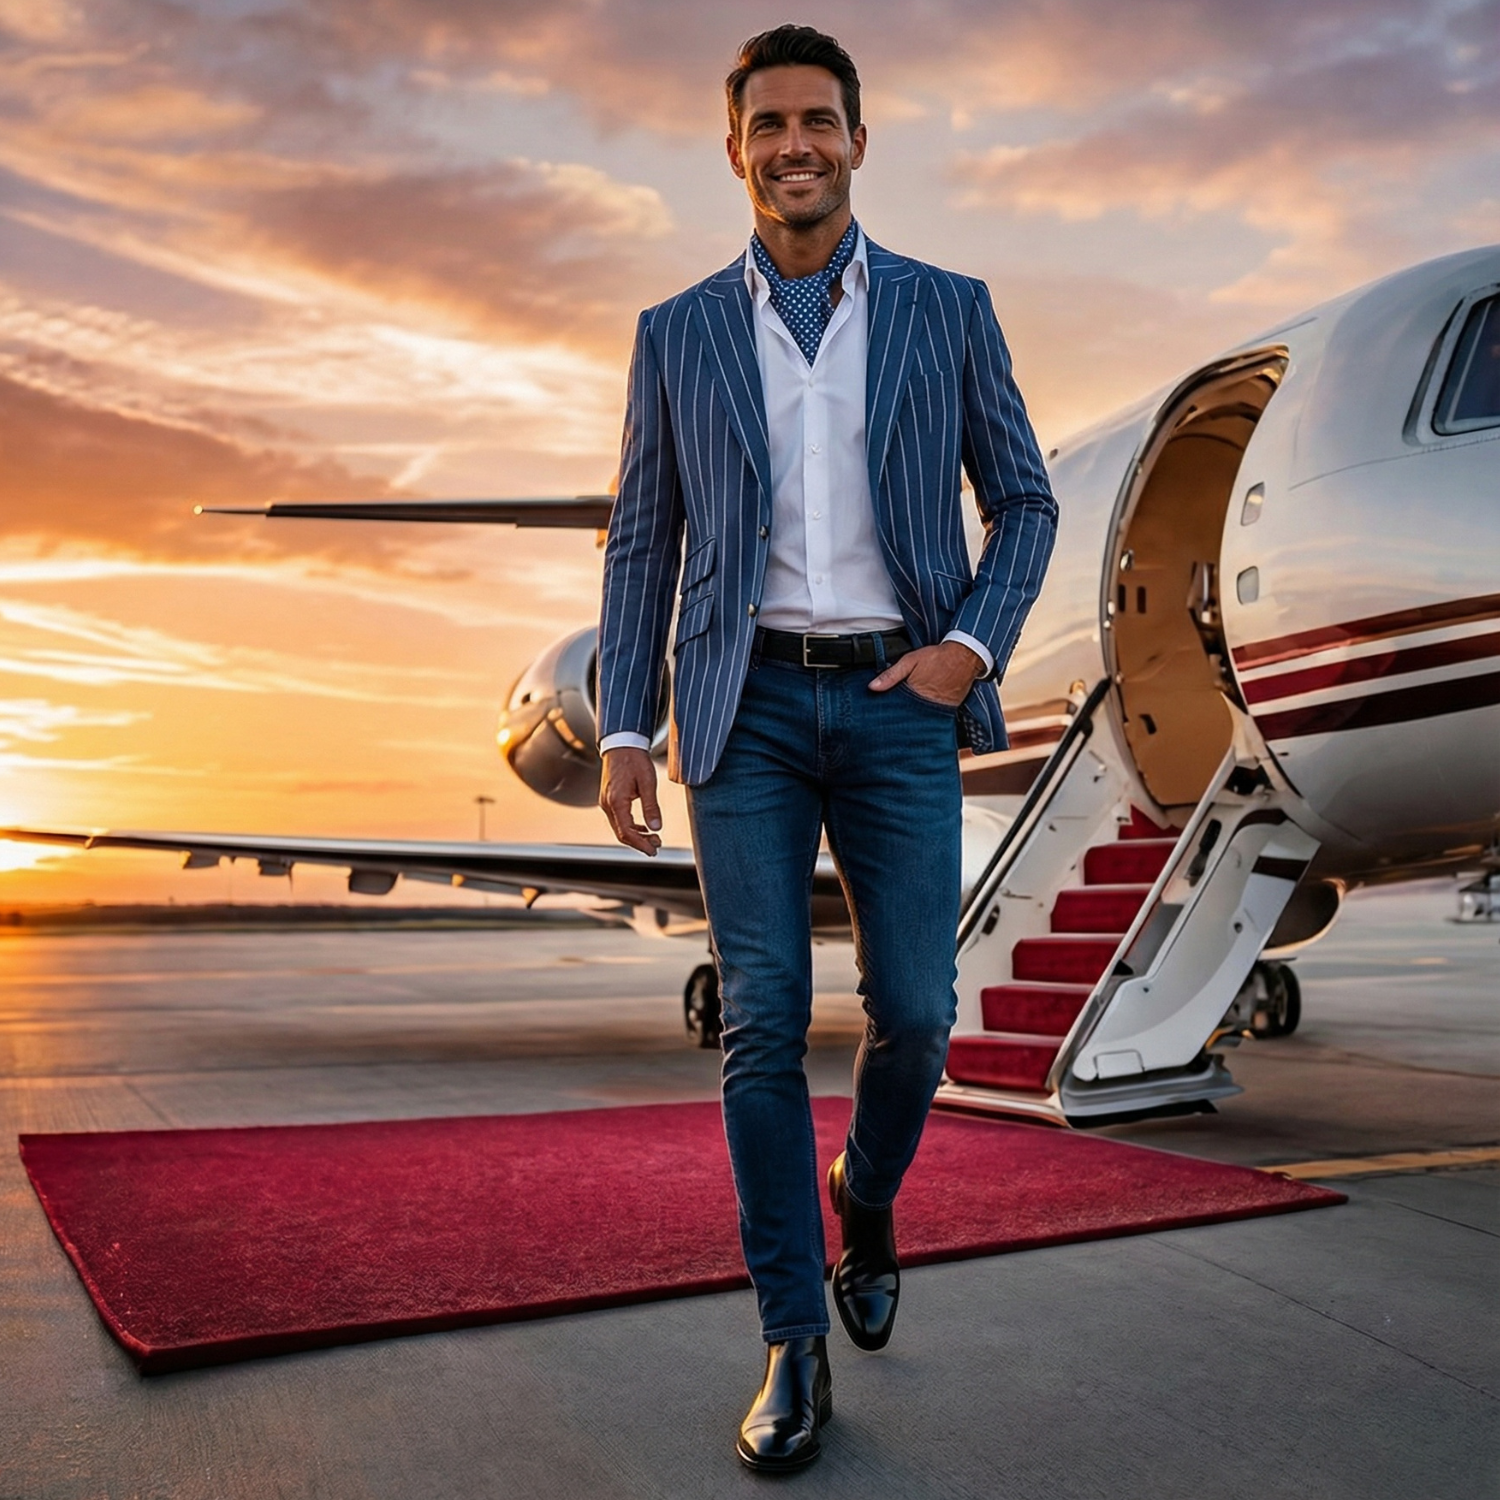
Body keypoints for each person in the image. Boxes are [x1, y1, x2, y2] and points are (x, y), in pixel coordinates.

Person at [596, 24, 1057, 1473]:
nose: (795, 144)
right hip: (740, 713)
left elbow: (1026, 504)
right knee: (763, 1026)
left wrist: (968, 649)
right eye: (769, 124)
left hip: (895, 703)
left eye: (821, 121)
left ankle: (869, 1194)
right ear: (733, 148)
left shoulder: (948, 308)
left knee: (917, 1014)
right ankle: (793, 1341)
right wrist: (623, 721)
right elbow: (642, 536)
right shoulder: (675, 332)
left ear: (860, 139)